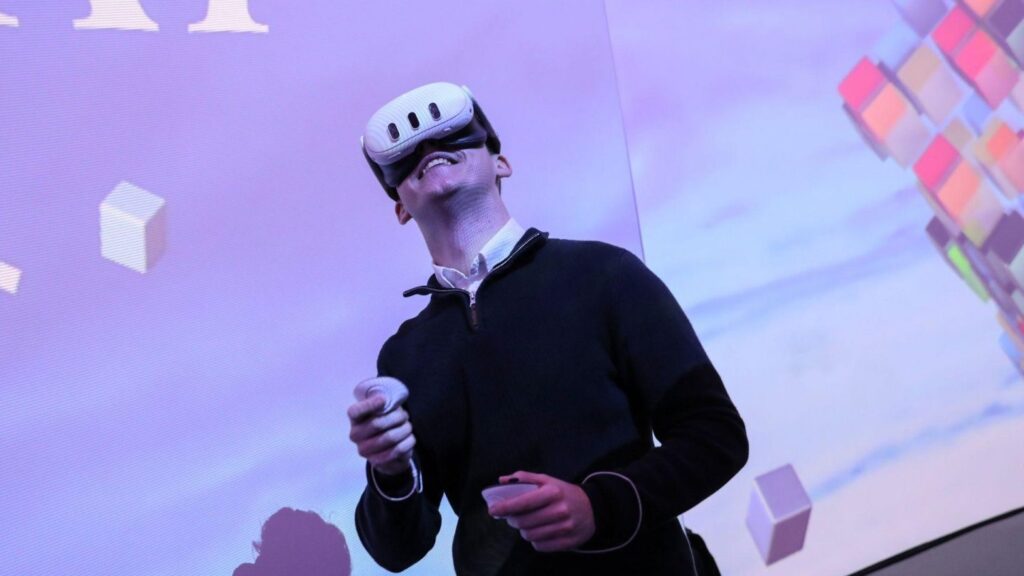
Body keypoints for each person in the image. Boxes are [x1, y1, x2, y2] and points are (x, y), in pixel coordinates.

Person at [347, 82, 748, 575]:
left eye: (451, 138)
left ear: (501, 163)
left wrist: (599, 507)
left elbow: (715, 435)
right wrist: (391, 472)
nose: (429, 149)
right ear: (400, 208)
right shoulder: (405, 356)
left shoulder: (604, 275)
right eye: (409, 156)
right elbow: (397, 549)